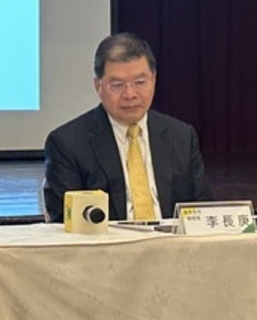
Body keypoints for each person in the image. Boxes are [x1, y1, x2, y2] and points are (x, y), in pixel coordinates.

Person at [43, 32, 213, 222]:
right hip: (108, 240)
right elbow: (67, 223)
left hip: (171, 239)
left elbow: (203, 210)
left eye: (140, 83)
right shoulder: (68, 144)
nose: (130, 94)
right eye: (117, 85)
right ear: (98, 85)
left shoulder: (181, 136)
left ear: (153, 80)